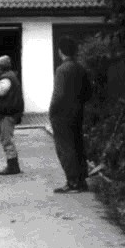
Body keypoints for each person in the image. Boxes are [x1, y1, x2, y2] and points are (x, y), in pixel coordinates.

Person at [49, 36, 93, 193]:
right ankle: (81, 180)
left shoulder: (62, 70)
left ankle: (72, 181)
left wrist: (52, 111)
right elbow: (88, 92)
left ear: (60, 51)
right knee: (77, 144)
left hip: (62, 114)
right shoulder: (80, 68)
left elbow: (58, 94)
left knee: (65, 147)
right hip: (78, 111)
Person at [0, 55, 24, 175]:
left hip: (7, 114)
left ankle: (13, 166)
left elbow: (1, 91)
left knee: (6, 140)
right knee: (5, 139)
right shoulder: (10, 76)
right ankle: (12, 165)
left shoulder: (6, 78)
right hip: (6, 113)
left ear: (0, 67)